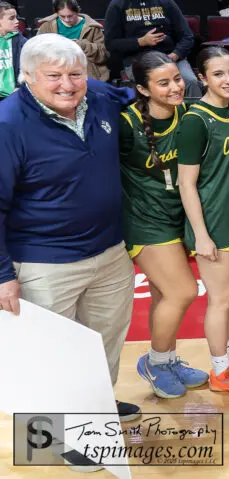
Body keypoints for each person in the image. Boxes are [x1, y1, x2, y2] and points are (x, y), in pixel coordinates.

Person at [0, 35, 141, 433]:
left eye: (75, 74)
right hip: (43, 263)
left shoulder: (98, 95)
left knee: (104, 342)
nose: (67, 84)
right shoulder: (7, 125)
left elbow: (132, 95)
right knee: (50, 355)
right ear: (26, 77)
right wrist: (2, 276)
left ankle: (96, 406)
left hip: (110, 252)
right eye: (54, 76)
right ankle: (62, 433)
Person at [121, 52, 210, 399]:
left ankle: (169, 359)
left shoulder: (189, 114)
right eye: (164, 82)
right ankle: (155, 363)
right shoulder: (127, 124)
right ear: (143, 89)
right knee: (183, 291)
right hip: (144, 220)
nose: (176, 87)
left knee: (163, 295)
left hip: (179, 217)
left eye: (176, 79)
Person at [176, 47, 229, 394]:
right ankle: (218, 371)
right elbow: (187, 182)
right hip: (215, 225)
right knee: (222, 299)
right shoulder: (196, 120)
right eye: (218, 74)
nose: (228, 80)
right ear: (202, 78)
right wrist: (201, 235)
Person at [104, 0, 199, 100]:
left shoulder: (165, 1)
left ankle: (191, 118)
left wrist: (174, 55)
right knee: (156, 85)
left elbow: (187, 36)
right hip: (139, 61)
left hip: (171, 57)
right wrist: (140, 42)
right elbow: (111, 43)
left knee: (190, 82)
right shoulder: (118, 5)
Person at [37, 0, 109, 82]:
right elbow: (37, 51)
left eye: (70, 16)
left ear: (77, 11)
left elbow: (103, 55)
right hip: (56, 71)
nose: (67, 20)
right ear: (56, 13)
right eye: (62, 16)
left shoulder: (92, 28)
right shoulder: (47, 26)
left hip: (85, 72)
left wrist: (82, 45)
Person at [0, 2, 27, 99]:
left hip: (14, 94)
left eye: (16, 17)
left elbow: (27, 67)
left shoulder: (20, 40)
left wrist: (19, 87)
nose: (17, 21)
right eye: (12, 18)